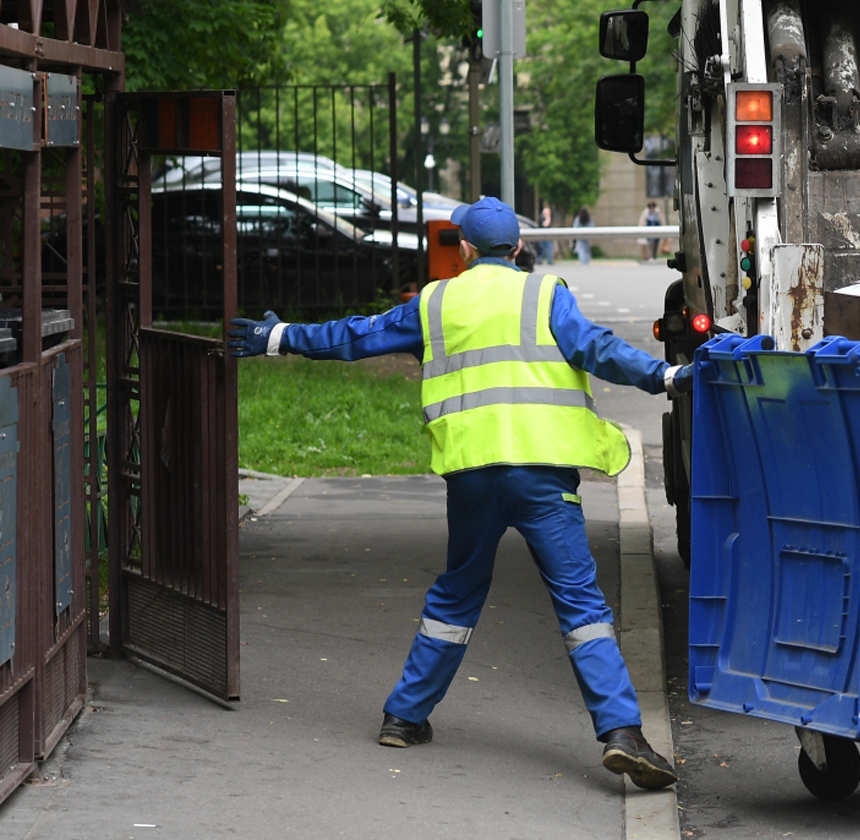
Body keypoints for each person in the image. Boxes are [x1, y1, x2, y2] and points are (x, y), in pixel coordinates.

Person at [226, 196, 689, 789]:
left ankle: (404, 715)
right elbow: (600, 350)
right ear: (519, 247)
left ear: (464, 249)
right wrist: (666, 375)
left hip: (472, 477)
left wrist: (278, 336)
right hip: (543, 475)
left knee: (457, 594)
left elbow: (355, 337)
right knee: (581, 606)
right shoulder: (545, 295)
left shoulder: (435, 301)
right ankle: (622, 733)